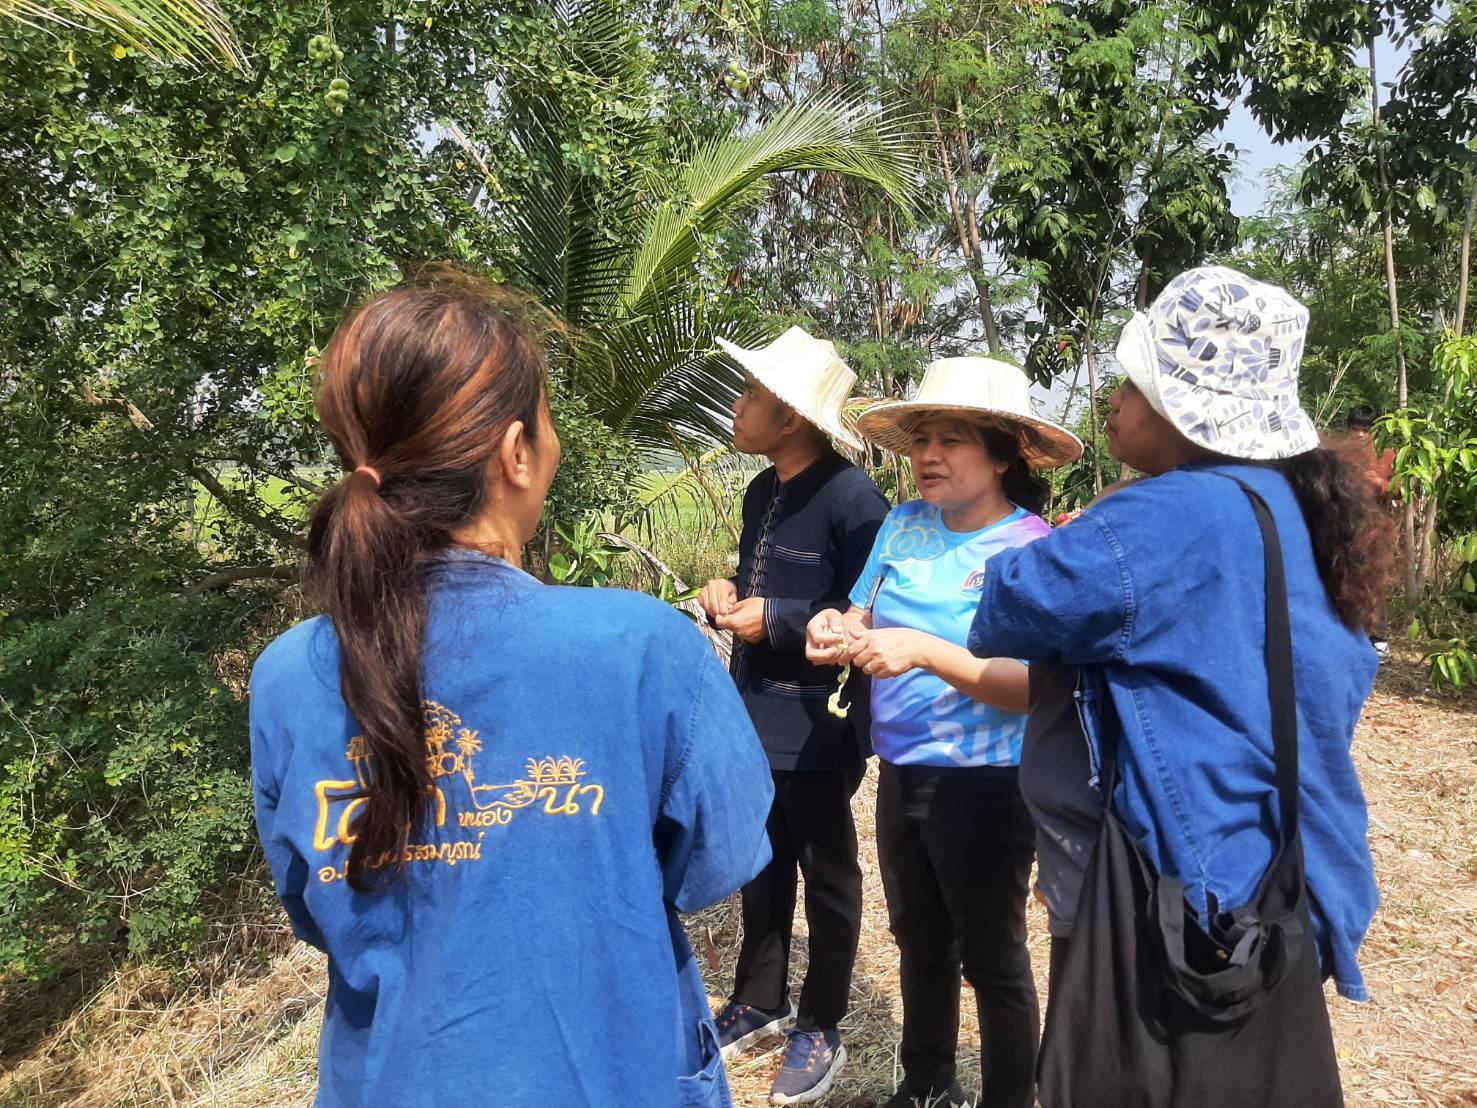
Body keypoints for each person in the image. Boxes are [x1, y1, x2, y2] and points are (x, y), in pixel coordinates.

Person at [249, 278, 774, 1108]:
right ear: (516, 449)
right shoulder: (640, 647)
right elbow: (714, 860)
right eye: (549, 421)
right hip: (613, 1075)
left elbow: (314, 904)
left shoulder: (288, 673)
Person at [968, 266, 1389, 1105]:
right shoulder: (1291, 507)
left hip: (1159, 891)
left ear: (1177, 408)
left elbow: (1007, 609)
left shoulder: (1163, 518)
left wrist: (1102, 515)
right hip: (1270, 874)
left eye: (1132, 380)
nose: (1114, 400)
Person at [805, 357, 1083, 1108]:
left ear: (1001, 456)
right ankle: (925, 1085)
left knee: (991, 958)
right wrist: (836, 626)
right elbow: (863, 613)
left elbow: (1034, 687)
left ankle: (1008, 1098)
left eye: (952, 439)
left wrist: (927, 653)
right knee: (919, 942)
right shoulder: (902, 526)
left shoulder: (1029, 550)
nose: (928, 455)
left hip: (988, 783)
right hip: (903, 770)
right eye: (922, 439)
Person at [699, 326, 889, 1105]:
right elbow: (755, 576)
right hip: (754, 711)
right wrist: (723, 593)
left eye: (750, 397)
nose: (736, 409)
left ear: (793, 417)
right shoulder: (761, 492)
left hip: (819, 721)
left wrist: (775, 618)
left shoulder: (854, 499)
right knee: (762, 861)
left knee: (828, 871)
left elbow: (869, 608)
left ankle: (821, 1020)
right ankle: (759, 997)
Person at [1345, 404, 1394, 656]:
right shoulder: (1340, 454)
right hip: (1345, 527)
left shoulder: (1388, 455)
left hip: (1378, 529)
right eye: (1356, 429)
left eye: (1365, 429)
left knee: (1375, 581)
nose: (1360, 435)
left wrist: (1380, 484)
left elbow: (1403, 488)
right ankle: (1349, 634)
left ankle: (1377, 638)